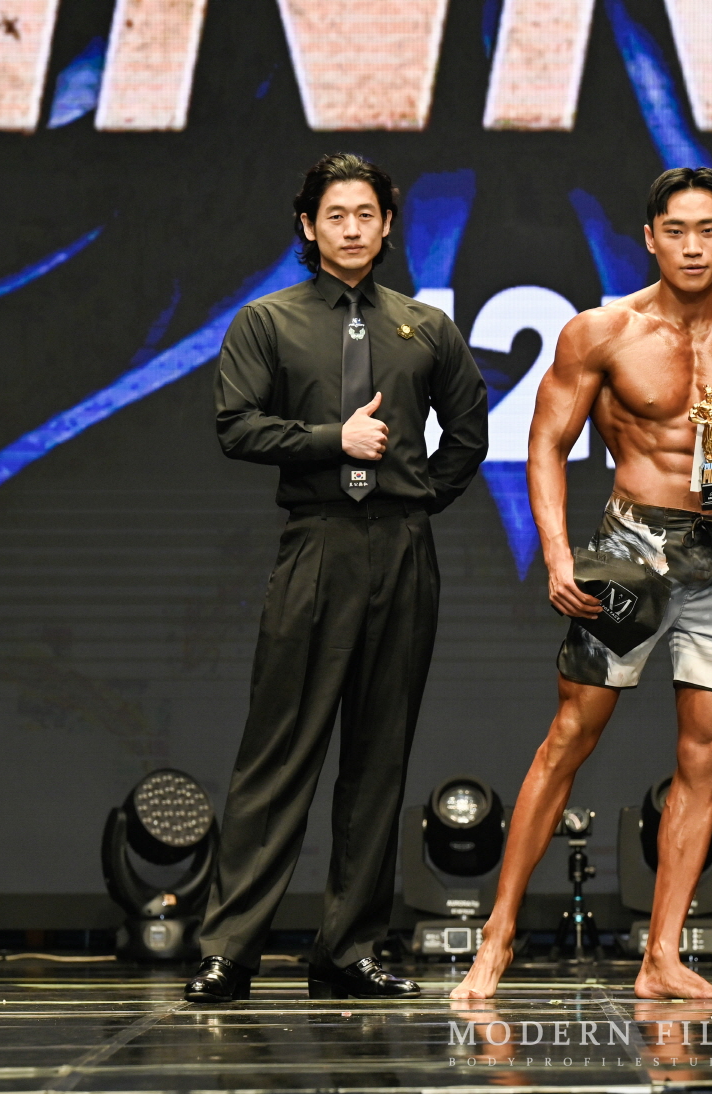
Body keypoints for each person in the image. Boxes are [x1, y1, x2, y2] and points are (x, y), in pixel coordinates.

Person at [451, 167, 712, 1001]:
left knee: (705, 754)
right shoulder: (602, 332)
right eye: (677, 230)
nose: (693, 246)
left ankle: (662, 957)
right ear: (651, 238)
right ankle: (498, 936)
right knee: (569, 735)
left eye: (708, 229)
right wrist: (558, 553)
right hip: (626, 553)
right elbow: (546, 444)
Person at [185, 153, 488, 1003]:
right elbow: (236, 425)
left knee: (379, 755)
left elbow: (469, 429)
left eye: (366, 214)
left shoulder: (425, 327)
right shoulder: (268, 321)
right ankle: (230, 950)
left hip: (402, 549)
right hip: (317, 543)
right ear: (307, 226)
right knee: (279, 752)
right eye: (335, 215)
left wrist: (418, 495)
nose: (351, 229)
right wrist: (333, 442)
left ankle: (349, 949)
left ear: (387, 226)